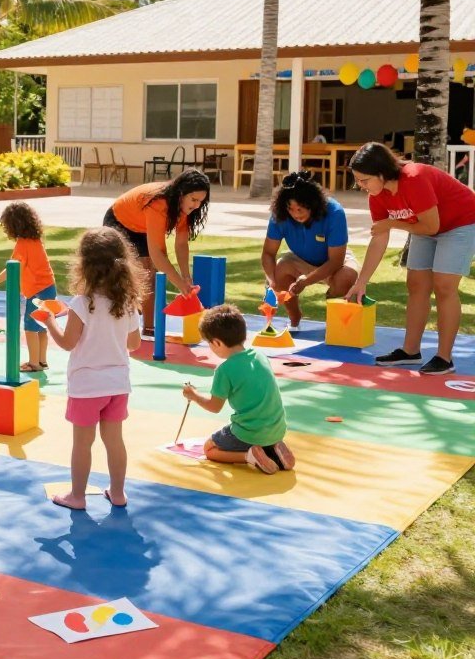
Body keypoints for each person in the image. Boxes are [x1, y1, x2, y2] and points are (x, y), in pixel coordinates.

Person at [347, 141, 475, 375]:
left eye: (364, 180)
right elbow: (379, 238)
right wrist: (361, 281)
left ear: (382, 173)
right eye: (358, 180)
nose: (360, 185)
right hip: (424, 226)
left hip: (460, 223)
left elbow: (431, 225)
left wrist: (394, 222)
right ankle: (410, 351)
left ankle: (444, 358)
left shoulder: (414, 178)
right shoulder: (377, 195)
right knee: (416, 285)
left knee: (444, 286)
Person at [42, 227, 146, 510]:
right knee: (115, 441)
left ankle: (77, 496)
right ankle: (118, 492)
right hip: (117, 384)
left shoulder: (81, 303)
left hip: (87, 386)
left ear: (84, 266)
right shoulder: (127, 303)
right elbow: (134, 344)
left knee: (82, 443)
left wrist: (50, 320)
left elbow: (66, 343)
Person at [181, 304, 295, 474]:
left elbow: (214, 407)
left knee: (209, 449)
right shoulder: (260, 356)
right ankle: (273, 450)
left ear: (217, 342)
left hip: (249, 433)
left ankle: (249, 456)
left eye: (209, 344)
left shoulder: (225, 369)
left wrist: (194, 395)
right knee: (258, 431)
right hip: (277, 428)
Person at [103, 170, 210, 335]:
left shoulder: (185, 208)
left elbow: (181, 244)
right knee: (145, 272)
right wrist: (180, 285)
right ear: (181, 193)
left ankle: (148, 328)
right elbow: (158, 253)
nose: (197, 206)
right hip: (119, 221)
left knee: (150, 274)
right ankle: (144, 326)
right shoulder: (159, 204)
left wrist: (186, 277)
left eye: (200, 202)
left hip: (142, 227)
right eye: (194, 200)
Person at [262, 171, 359, 328]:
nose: (295, 214)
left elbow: (336, 261)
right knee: (279, 271)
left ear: (313, 203)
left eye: (300, 209)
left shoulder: (334, 212)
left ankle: (335, 321)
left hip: (334, 261)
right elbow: (268, 253)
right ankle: (295, 318)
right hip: (300, 259)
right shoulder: (279, 215)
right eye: (291, 209)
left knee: (346, 276)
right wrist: (271, 281)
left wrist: (306, 281)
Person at [0, 202, 56, 372]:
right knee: (42, 326)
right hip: (49, 287)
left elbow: (13, 269)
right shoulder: (35, 240)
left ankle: (34, 363)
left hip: (38, 292)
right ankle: (42, 360)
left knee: (30, 327)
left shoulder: (23, 244)